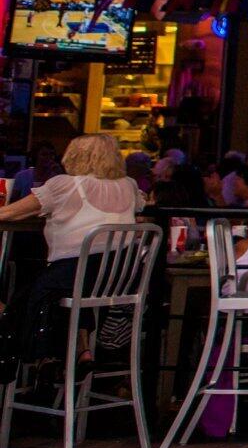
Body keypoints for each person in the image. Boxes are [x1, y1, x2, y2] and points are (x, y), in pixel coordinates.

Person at [0, 134, 142, 379]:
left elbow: (11, 213)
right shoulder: (128, 185)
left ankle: (43, 356)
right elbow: (141, 207)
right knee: (71, 289)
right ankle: (81, 351)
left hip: (73, 275)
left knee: (31, 291)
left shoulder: (65, 185)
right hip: (117, 278)